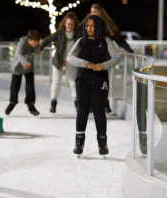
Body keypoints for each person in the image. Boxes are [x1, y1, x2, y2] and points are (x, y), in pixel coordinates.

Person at [67, 15, 121, 156]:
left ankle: (102, 141)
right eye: (87, 26)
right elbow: (70, 57)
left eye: (92, 26)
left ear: (98, 26)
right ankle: (79, 141)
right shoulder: (81, 41)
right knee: (82, 110)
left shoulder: (106, 41)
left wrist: (102, 66)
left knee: (99, 110)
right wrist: (86, 64)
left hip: (100, 80)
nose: (89, 29)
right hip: (83, 79)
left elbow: (116, 57)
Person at [36, 12, 82, 113]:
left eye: (72, 24)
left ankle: (76, 103)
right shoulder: (60, 33)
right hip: (58, 60)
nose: (69, 26)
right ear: (65, 23)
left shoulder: (77, 35)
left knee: (73, 81)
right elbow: (47, 39)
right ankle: (53, 102)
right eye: (68, 24)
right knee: (56, 80)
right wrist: (40, 48)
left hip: (71, 61)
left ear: (74, 25)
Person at [5, 30, 42, 116]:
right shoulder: (22, 42)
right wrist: (25, 62)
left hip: (29, 66)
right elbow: (18, 53)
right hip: (18, 66)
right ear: (29, 39)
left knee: (30, 86)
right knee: (15, 86)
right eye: (34, 41)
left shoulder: (36, 44)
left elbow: (37, 50)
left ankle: (31, 105)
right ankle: (12, 102)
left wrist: (36, 51)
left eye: (37, 41)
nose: (36, 43)